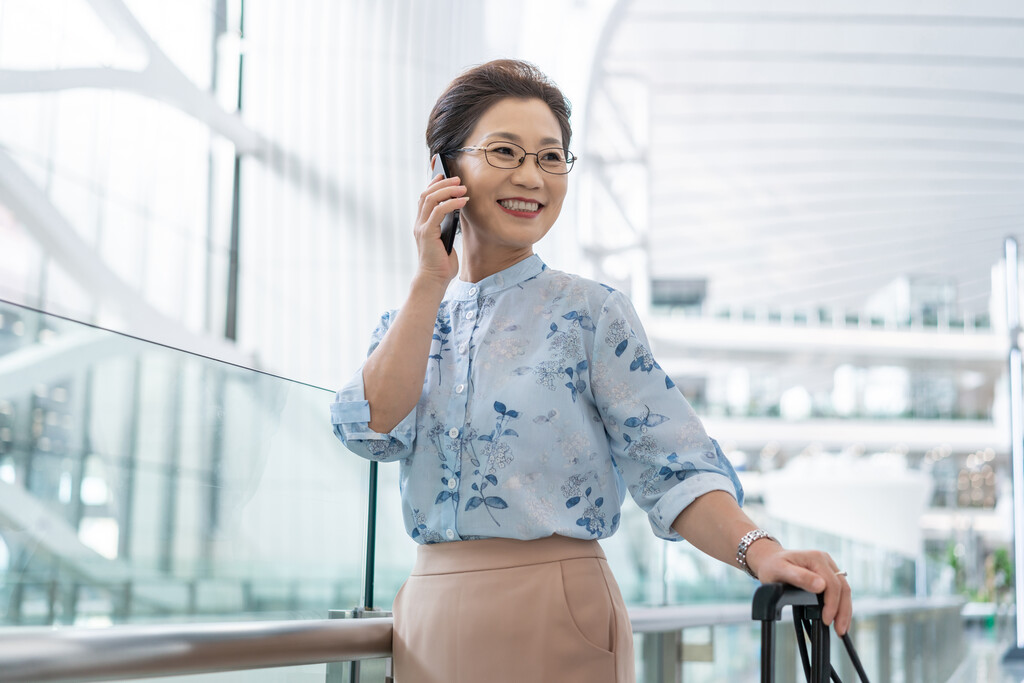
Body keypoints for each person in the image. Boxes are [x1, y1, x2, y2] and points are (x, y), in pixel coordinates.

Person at [330, 58, 852, 683]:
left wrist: (762, 552)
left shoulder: (591, 314)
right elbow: (369, 429)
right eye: (506, 151)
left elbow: (674, 466)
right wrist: (427, 284)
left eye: (551, 157)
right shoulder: (411, 320)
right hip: (428, 616)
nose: (532, 176)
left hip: (559, 610)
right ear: (446, 168)